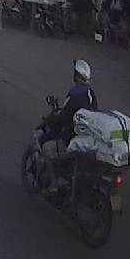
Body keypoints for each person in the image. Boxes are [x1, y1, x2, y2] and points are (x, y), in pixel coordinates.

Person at [38, 59, 98, 194]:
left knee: (47, 148)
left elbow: (63, 117)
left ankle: (54, 184)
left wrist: (51, 120)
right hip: (88, 136)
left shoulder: (75, 94)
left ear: (76, 76)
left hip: (73, 137)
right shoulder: (90, 94)